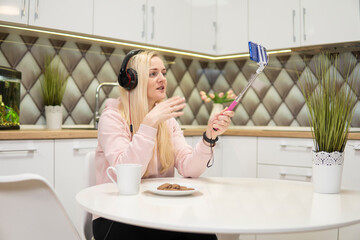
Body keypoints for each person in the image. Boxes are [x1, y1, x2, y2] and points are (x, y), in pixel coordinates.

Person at [93, 50, 234, 240]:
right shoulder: (112, 117)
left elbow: (188, 167)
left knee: (204, 234)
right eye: (153, 73)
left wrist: (209, 136)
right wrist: (149, 124)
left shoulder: (167, 121)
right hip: (115, 215)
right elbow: (125, 173)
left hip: (157, 210)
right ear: (132, 80)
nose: (162, 79)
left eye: (163, 73)